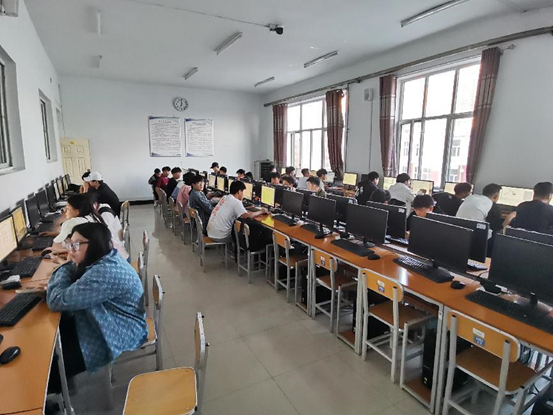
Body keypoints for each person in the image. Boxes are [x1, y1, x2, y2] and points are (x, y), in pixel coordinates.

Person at [46, 223, 148, 387]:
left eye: (76, 245)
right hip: (109, 317)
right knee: (53, 335)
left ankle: (54, 389)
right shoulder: (103, 259)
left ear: (95, 245)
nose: (71, 250)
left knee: (50, 368)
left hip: (120, 328)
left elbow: (57, 300)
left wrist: (66, 266)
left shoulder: (105, 272)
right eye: (70, 244)